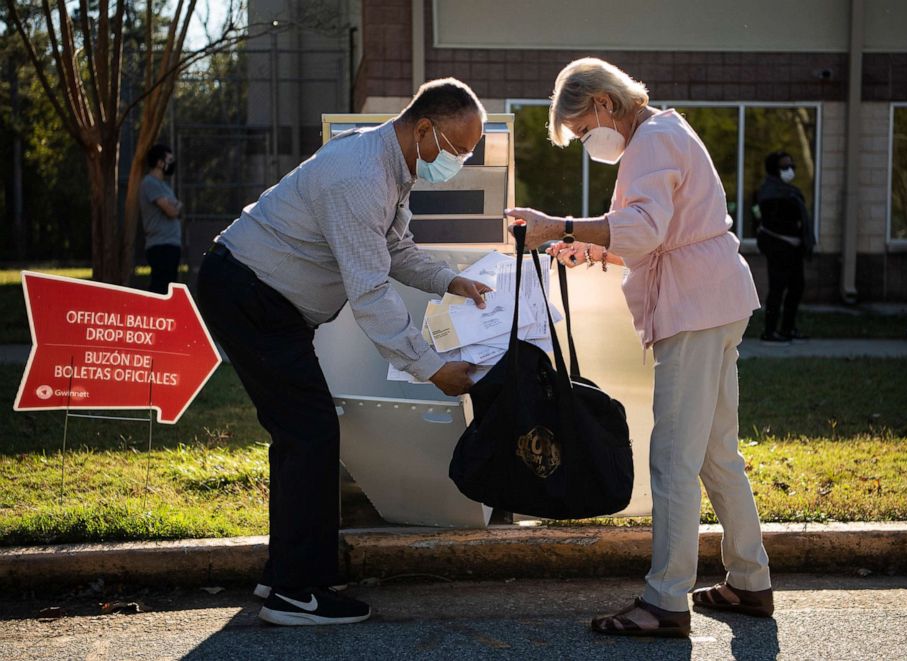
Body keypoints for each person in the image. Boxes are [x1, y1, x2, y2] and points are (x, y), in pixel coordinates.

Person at [196, 78, 492, 627]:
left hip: (262, 297)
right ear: (424, 129)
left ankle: (286, 573)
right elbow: (371, 290)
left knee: (299, 433)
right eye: (456, 149)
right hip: (251, 295)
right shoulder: (361, 176)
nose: (460, 160)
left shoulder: (390, 165)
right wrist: (429, 368)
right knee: (310, 431)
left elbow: (395, 249)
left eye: (471, 151)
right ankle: (295, 593)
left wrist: (451, 281)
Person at [508, 57, 773, 638]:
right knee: (714, 453)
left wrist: (559, 227)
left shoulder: (650, 142)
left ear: (604, 103)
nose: (585, 142)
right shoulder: (666, 131)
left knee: (674, 459)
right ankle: (750, 583)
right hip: (717, 300)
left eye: (581, 130)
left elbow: (647, 229)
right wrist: (597, 249)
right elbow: (661, 233)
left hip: (693, 308)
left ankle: (664, 602)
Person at [754, 150, 815, 344]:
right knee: (777, 289)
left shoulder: (790, 190)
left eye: (792, 166)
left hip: (794, 248)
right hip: (778, 247)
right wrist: (793, 227)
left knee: (796, 287)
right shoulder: (768, 192)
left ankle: (787, 328)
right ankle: (770, 331)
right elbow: (770, 221)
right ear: (774, 169)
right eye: (785, 166)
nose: (790, 170)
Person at [140, 144, 183, 294]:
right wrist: (175, 206)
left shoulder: (164, 186)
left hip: (171, 244)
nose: (172, 163)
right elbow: (171, 210)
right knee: (159, 287)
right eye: (169, 159)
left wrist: (175, 206)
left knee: (169, 287)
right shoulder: (149, 182)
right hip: (160, 245)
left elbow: (177, 207)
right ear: (159, 162)